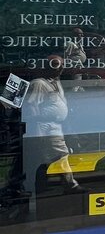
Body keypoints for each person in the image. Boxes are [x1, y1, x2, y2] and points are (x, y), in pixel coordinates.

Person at [25, 55, 77, 189]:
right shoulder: (39, 84)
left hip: (56, 124)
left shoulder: (56, 83)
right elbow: (31, 105)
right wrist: (38, 127)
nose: (60, 68)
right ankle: (70, 185)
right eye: (55, 64)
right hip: (45, 125)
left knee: (44, 157)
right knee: (60, 154)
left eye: (61, 65)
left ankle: (37, 185)